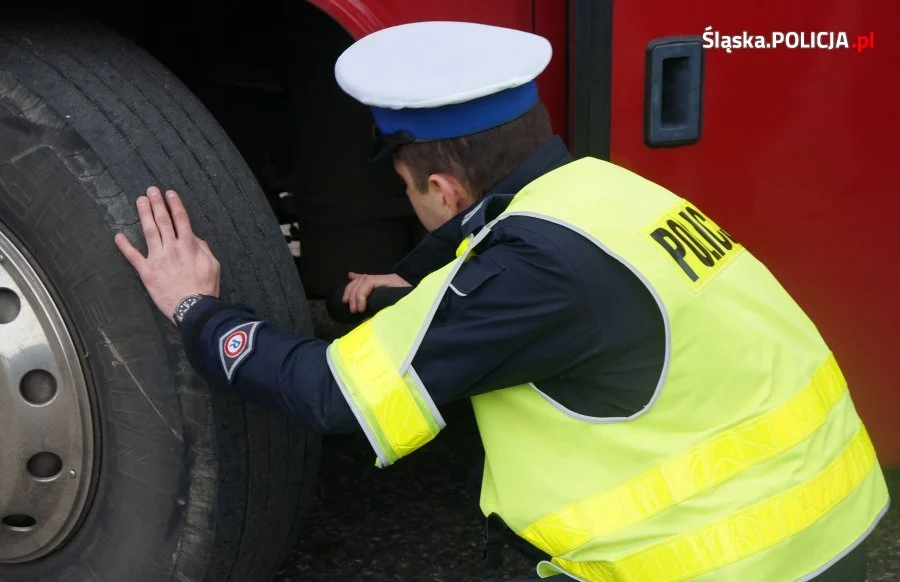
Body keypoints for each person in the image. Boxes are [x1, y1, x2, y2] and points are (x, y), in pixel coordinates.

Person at [114, 21, 888, 582]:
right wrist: (419, 289)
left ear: (442, 188)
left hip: (735, 564)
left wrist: (197, 309)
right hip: (826, 518)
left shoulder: (527, 278)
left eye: (408, 190)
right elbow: (541, 280)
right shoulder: (608, 191)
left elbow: (334, 396)